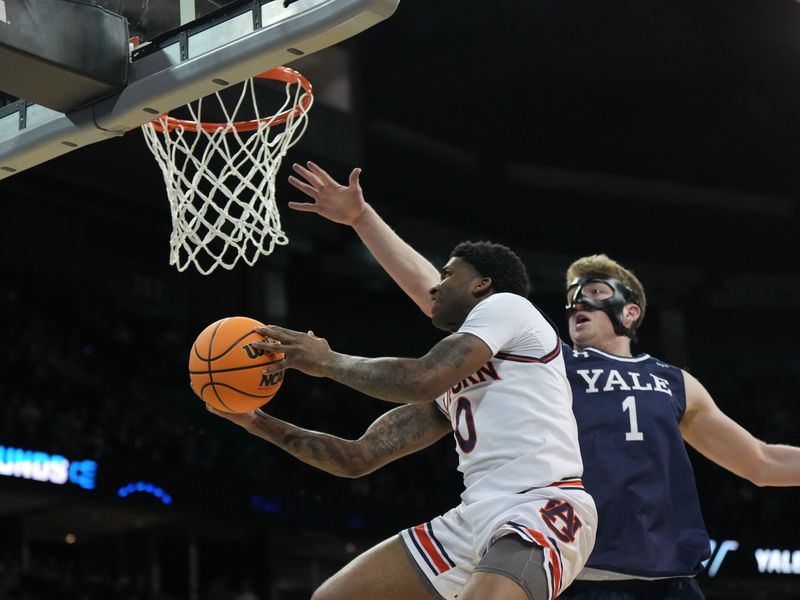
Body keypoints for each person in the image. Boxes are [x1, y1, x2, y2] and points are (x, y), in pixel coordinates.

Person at [279, 161, 800, 599]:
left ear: (633, 312)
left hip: (665, 580)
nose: (578, 302)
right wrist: (364, 220)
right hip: (562, 563)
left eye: (596, 292)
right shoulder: (544, 361)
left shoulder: (675, 381)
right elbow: (437, 296)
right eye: (572, 294)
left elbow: (761, 462)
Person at [210, 236, 598, 600]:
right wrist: (258, 421)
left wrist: (327, 361)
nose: (435, 286)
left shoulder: (508, 306)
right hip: (473, 518)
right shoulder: (451, 389)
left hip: (543, 504)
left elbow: (419, 379)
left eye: (447, 274)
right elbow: (356, 458)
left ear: (482, 285)